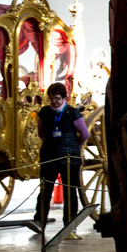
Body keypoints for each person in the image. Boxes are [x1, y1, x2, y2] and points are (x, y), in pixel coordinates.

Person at [36, 82, 89, 237]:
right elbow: (41, 133)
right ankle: (39, 221)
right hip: (49, 156)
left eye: (57, 98)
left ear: (64, 98)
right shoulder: (45, 112)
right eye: (51, 98)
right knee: (45, 190)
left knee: (70, 192)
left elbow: (84, 134)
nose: (54, 101)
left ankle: (70, 225)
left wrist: (73, 145)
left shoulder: (72, 113)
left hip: (69, 158)